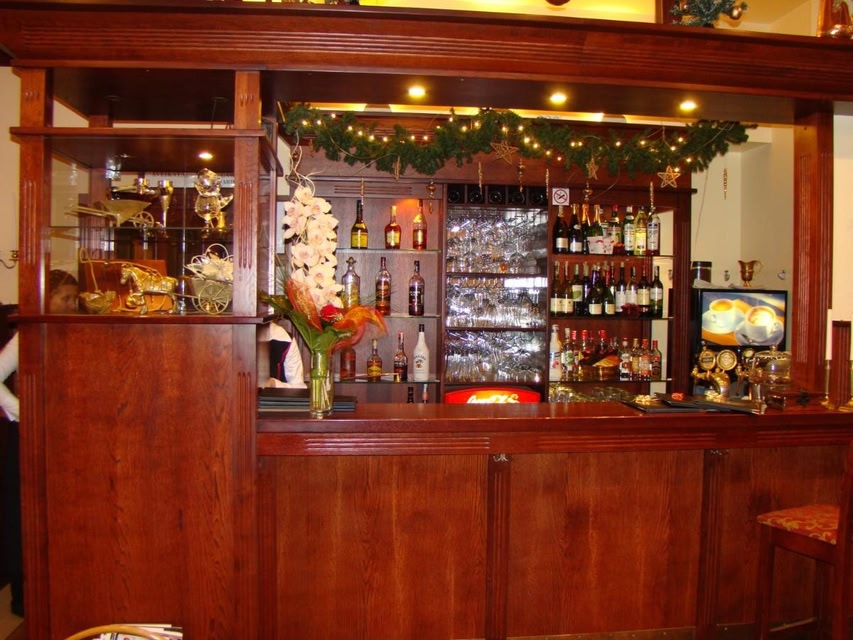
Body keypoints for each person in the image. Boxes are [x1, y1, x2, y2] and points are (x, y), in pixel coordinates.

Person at [1, 269, 78, 617]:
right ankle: (25, 596)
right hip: (30, 437)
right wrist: (23, 412)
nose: (71, 305)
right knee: (27, 515)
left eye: (74, 298)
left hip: (62, 435)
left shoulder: (71, 331)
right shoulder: (27, 336)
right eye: (65, 298)